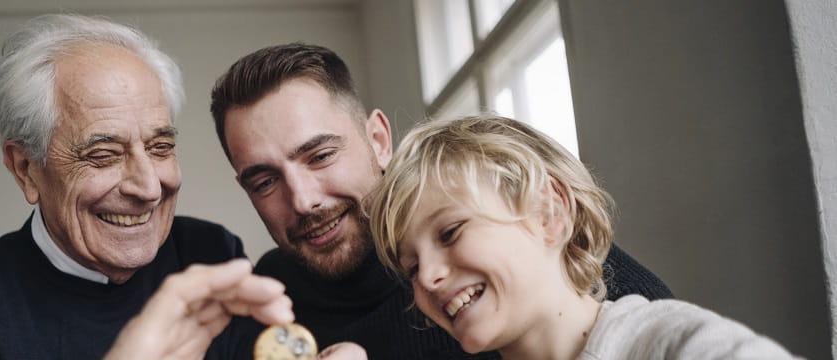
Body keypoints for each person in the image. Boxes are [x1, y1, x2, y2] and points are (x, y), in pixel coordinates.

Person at [209, 43, 673, 359]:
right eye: (265, 181)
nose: (304, 199)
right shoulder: (258, 311)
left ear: (378, 139)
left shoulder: (518, 247)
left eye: (321, 155)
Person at [0, 14, 283, 359]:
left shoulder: (211, 255)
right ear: (26, 169)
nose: (148, 188)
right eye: (103, 155)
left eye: (160, 147)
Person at [364, 114, 796, 359]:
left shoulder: (668, 345)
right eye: (413, 267)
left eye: (450, 231)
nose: (428, 279)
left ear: (549, 212)